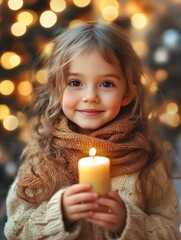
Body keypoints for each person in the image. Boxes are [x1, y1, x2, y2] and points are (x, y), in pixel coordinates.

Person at [4, 22, 181, 240]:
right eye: (75, 82)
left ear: (127, 93)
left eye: (106, 84)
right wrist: (59, 215)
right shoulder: (41, 157)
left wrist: (128, 222)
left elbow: (171, 232)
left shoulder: (144, 158)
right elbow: (15, 230)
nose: (90, 96)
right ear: (56, 89)